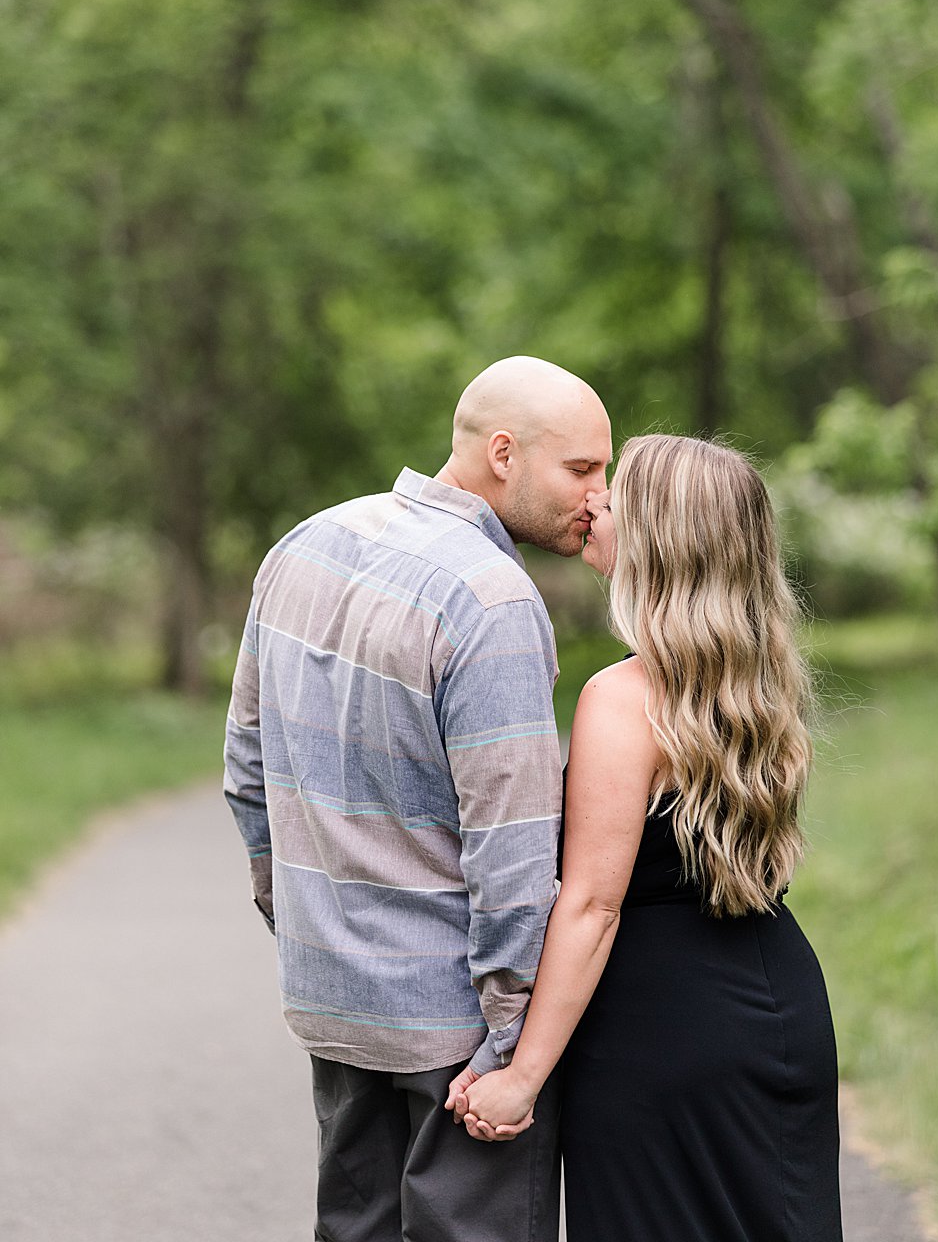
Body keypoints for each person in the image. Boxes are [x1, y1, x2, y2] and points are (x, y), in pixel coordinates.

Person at [223, 356, 612, 1242]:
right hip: (457, 1038)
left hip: (332, 1005)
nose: (599, 495)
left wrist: (303, 924)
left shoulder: (306, 542)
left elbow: (246, 767)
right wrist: (512, 1046)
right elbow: (510, 848)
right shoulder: (494, 600)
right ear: (504, 453)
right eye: (582, 469)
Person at [449, 434, 841, 1242]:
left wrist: (521, 1077)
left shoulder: (624, 697)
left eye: (617, 491)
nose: (594, 501)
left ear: (663, 535)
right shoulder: (758, 681)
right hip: (779, 1009)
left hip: (658, 1039)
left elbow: (593, 905)